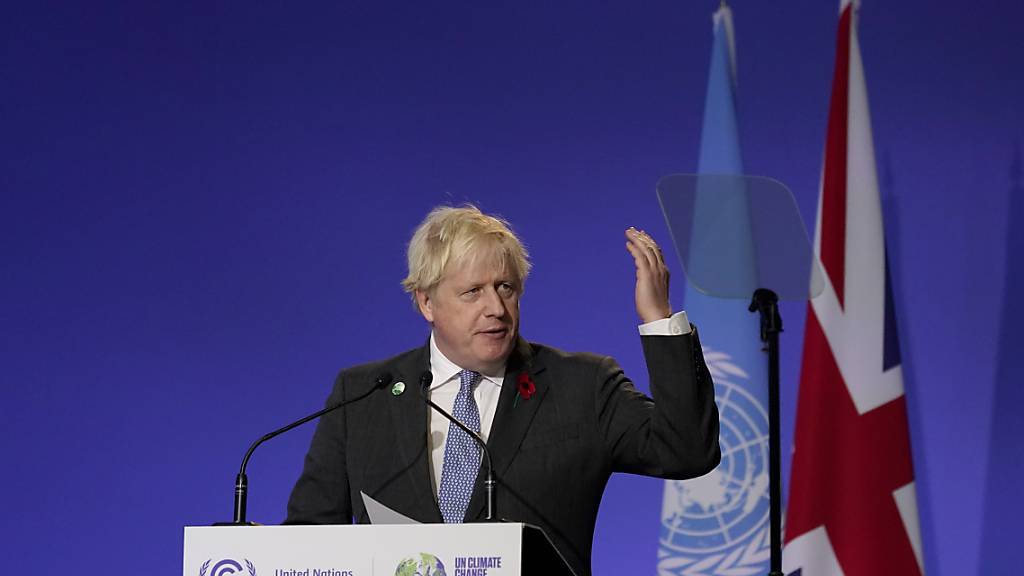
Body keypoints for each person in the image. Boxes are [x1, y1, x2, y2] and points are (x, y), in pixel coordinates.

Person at [285, 205, 720, 576]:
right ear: (426, 303)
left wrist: (660, 319)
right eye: (472, 291)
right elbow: (309, 537)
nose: (496, 308)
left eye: (505, 288)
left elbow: (686, 450)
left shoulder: (582, 386)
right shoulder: (364, 395)